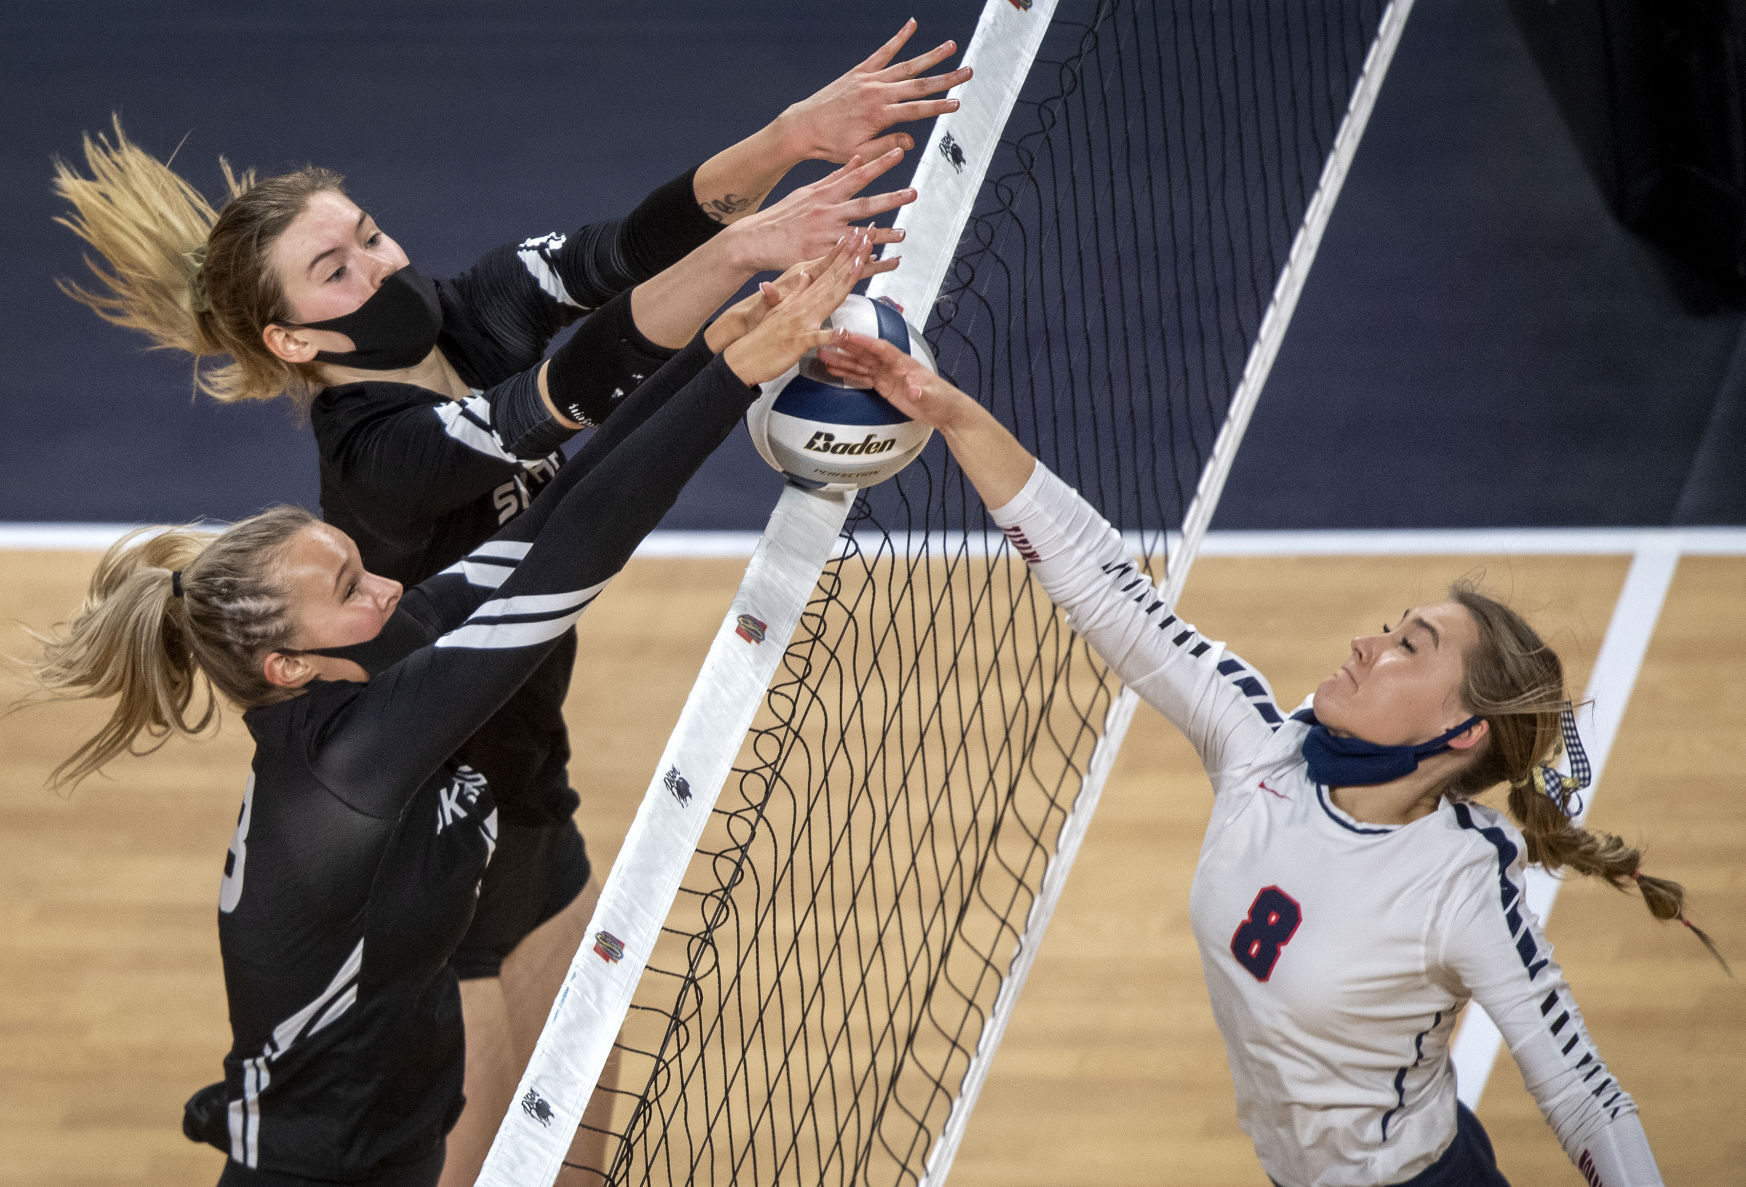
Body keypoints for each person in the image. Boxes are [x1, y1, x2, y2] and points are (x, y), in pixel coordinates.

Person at [50, 23, 970, 1182]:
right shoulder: (377, 455)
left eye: (370, 233)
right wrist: (744, 295)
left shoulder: (456, 315)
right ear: (290, 337)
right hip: (427, 833)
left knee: (583, 1083)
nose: (383, 268)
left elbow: (620, 255)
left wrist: (787, 145)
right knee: (484, 1140)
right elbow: (570, 416)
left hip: (521, 771)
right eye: (338, 271)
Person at [815, 331, 1717, 1187]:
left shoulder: (1462, 881)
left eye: (1411, 645)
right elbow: (1106, 585)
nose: (1368, 643)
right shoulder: (1264, 744)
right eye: (1392, 625)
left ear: (1463, 730)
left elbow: (1585, 1097)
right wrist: (948, 411)